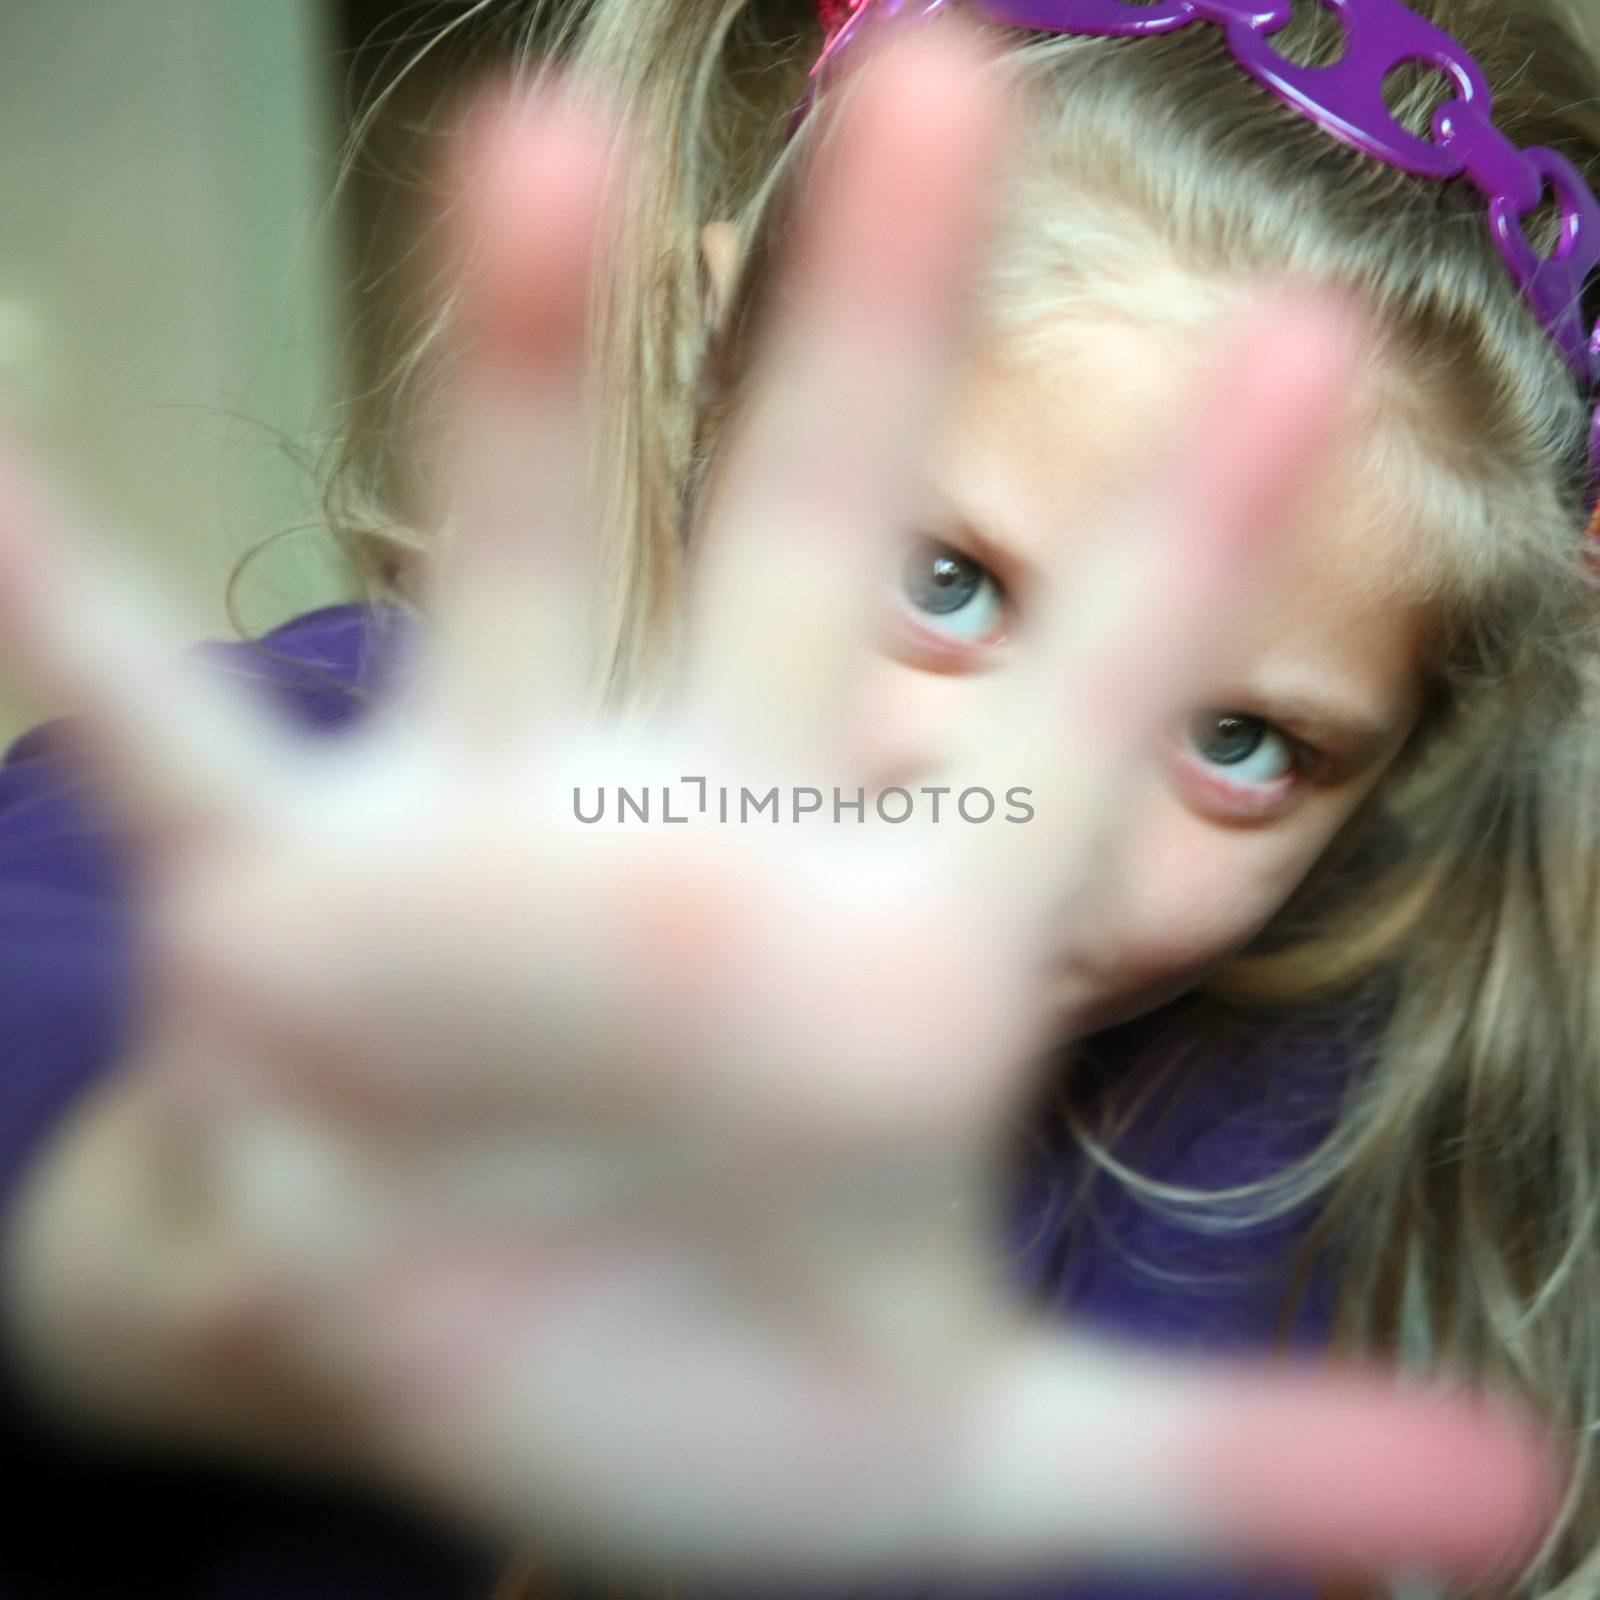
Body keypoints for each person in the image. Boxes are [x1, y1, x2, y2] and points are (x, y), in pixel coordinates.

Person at [0, 1, 1594, 1597]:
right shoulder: (342, 785)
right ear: (717, 375)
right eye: (947, 580)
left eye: (1242, 740)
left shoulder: (1251, 1137)